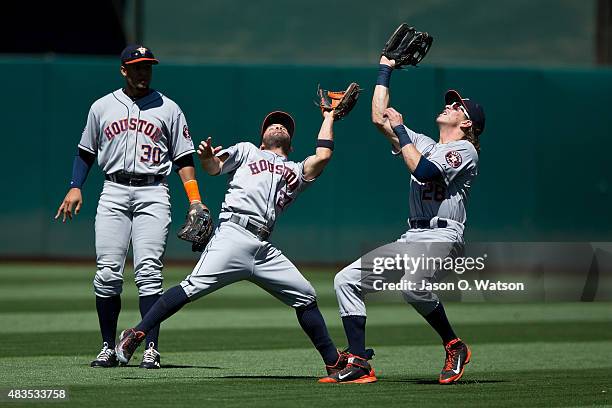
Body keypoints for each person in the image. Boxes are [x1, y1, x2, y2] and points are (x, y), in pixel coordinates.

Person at [115, 109, 353, 378]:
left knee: (306, 296)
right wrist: (206, 158)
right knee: (191, 287)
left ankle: (333, 362)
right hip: (233, 234)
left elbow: (323, 155)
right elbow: (214, 167)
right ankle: (136, 334)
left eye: (284, 127)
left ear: (291, 143)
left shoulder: (297, 171)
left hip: (264, 249)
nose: (278, 127)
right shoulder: (248, 150)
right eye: (272, 125)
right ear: (262, 139)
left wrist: (330, 117)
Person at [319, 55, 485, 384]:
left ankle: (454, 346)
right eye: (450, 103)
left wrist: (400, 130)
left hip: (443, 237)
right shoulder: (425, 144)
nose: (449, 106)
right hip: (412, 238)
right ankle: (360, 363)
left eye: (457, 107)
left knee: (413, 287)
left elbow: (424, 171)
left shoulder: (465, 150)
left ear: (467, 124)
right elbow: (380, 118)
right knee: (345, 281)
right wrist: (386, 68)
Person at [55, 45, 207, 369]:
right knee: (108, 273)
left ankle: (150, 348)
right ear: (124, 70)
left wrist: (194, 198)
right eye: (137, 67)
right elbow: (85, 152)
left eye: (147, 67)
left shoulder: (169, 108)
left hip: (153, 191)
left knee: (149, 273)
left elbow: (183, 159)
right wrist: (75, 187)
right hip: (113, 190)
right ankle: (108, 347)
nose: (143, 72)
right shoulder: (102, 107)